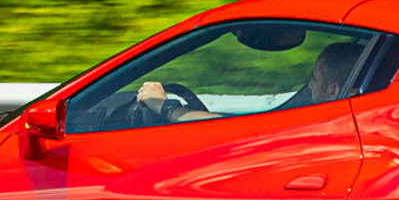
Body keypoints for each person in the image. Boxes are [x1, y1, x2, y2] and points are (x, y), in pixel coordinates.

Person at [136, 42, 369, 122]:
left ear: (333, 90)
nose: (309, 86)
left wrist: (165, 107)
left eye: (314, 79)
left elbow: (228, 129)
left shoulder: (322, 125)